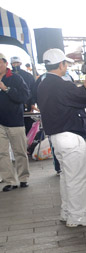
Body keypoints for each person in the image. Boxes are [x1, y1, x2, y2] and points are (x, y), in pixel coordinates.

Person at [37, 49, 86, 227]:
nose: (66, 66)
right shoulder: (60, 84)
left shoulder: (44, 84)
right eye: (65, 63)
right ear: (61, 65)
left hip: (58, 136)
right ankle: (77, 216)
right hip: (70, 136)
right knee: (76, 179)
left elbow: (71, 98)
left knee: (67, 177)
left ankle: (68, 211)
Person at [0, 52, 30, 192]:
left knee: (20, 151)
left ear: (6, 64)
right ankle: (8, 181)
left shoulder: (15, 78)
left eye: (0, 62)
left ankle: (23, 178)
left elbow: (24, 96)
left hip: (15, 121)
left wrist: (6, 89)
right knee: (2, 153)